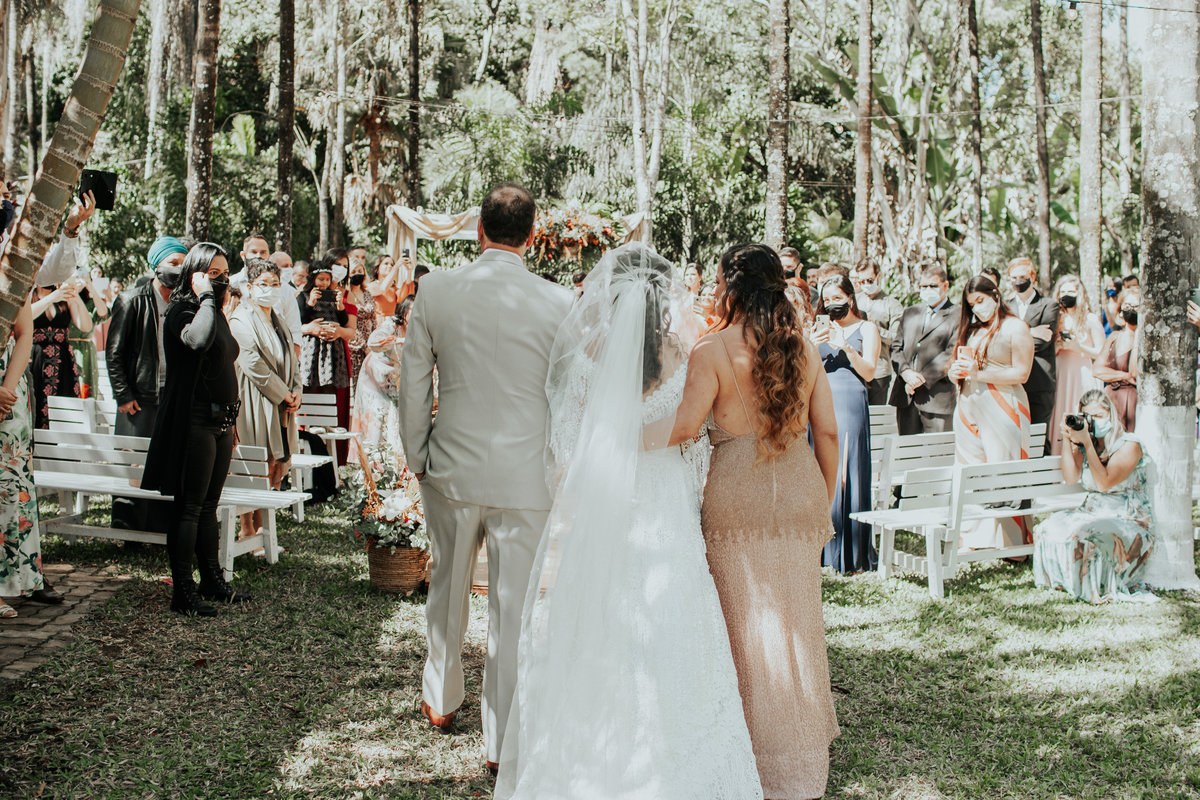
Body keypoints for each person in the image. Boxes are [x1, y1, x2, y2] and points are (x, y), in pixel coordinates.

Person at [495, 244, 761, 800]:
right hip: (666, 503)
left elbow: (566, 446)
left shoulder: (588, 353)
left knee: (599, 616)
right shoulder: (685, 353)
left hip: (607, 499)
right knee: (674, 615)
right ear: (665, 297)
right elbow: (694, 440)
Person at [397, 183, 573, 772]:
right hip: (527, 478)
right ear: (533, 235)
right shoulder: (560, 302)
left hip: (450, 466)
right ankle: (500, 744)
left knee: (447, 588)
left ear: (479, 229)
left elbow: (414, 382)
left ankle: (442, 699)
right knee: (513, 609)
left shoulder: (437, 289)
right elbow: (567, 395)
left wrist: (416, 454)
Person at [667, 242, 840, 799]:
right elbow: (827, 431)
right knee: (798, 628)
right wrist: (822, 497)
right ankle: (802, 766)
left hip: (737, 497)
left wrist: (623, 428)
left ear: (731, 287)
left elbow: (685, 427)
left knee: (742, 633)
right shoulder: (803, 347)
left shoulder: (711, 349)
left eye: (720, 283)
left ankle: (753, 763)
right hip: (800, 490)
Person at [142, 243, 250, 616]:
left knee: (208, 506)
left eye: (225, 273)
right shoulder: (182, 311)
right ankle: (183, 591)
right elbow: (198, 340)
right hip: (194, 420)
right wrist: (204, 295)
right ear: (195, 274)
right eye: (213, 273)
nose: (221, 280)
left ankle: (212, 580)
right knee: (188, 507)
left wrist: (232, 421)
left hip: (221, 421)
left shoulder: (213, 311)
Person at [1033, 390, 1153, 602]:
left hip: (1127, 518)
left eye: (1098, 416)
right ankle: (1062, 582)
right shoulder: (1091, 444)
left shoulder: (1129, 445)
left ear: (1110, 415)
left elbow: (1104, 483)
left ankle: (1092, 586)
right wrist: (1068, 439)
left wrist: (1087, 444)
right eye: (1088, 416)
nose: (1093, 421)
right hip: (1092, 511)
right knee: (1047, 527)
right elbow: (1071, 477)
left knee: (1085, 532)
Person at [949, 275, 1034, 549]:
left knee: (1003, 473)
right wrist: (955, 373)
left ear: (995, 295)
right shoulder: (972, 331)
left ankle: (1012, 545)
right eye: (972, 304)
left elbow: (1022, 373)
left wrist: (980, 374)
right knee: (971, 471)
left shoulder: (1015, 327)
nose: (977, 308)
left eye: (980, 300)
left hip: (1003, 408)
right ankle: (974, 537)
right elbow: (961, 366)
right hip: (969, 406)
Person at [0, 298, 65, 617]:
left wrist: (6, 389)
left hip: (9, 391)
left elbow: (24, 332)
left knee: (11, 489)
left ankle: (18, 580)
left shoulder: (16, 276)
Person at [229, 258, 301, 540]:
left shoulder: (278, 320)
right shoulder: (241, 319)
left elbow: (292, 359)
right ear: (249, 287)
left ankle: (262, 529)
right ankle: (247, 527)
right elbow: (253, 364)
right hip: (255, 399)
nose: (270, 289)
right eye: (263, 284)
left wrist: (296, 391)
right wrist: (284, 394)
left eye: (275, 284)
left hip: (282, 403)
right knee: (254, 462)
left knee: (273, 462)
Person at [813, 273, 880, 573]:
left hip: (850, 402)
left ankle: (850, 550)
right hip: (820, 402)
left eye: (837, 298)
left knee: (846, 470)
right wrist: (810, 344)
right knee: (821, 471)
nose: (831, 304)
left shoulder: (867, 328)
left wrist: (847, 347)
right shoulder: (818, 329)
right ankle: (821, 548)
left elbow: (869, 372)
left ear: (850, 298)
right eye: (826, 300)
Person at [889, 263, 958, 434]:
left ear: (945, 285)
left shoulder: (958, 314)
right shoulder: (910, 312)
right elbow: (896, 347)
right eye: (923, 286)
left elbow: (951, 352)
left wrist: (919, 380)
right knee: (908, 448)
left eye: (933, 286)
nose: (928, 290)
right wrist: (906, 373)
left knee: (936, 449)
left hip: (936, 399)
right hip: (906, 397)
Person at [298, 255, 354, 442]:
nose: (324, 283)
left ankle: (329, 421)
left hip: (332, 349)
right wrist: (310, 303)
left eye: (327, 280)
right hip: (313, 348)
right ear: (313, 279)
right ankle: (312, 421)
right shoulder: (304, 296)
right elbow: (299, 319)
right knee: (312, 383)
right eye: (320, 279)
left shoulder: (334, 297)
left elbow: (344, 321)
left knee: (330, 384)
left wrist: (340, 306)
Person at [1006, 257, 1059, 446]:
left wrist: (1012, 337)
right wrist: (1031, 331)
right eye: (1013, 277)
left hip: (1039, 381)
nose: (1018, 281)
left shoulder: (1049, 305)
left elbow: (1040, 343)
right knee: (1014, 439)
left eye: (1022, 276)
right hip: (1010, 382)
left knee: (1037, 441)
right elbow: (999, 340)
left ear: (1032, 277)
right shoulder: (1005, 306)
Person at [1050, 275, 1105, 455]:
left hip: (1081, 372)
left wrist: (1078, 347)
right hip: (1061, 372)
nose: (1066, 295)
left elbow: (1101, 351)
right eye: (1063, 291)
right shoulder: (1056, 318)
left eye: (1071, 291)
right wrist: (1059, 345)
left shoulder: (1090, 319)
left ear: (1079, 294)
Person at [351, 296, 413, 455]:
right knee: (376, 421)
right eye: (412, 310)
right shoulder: (392, 323)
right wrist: (398, 340)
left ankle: (389, 461)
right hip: (373, 377)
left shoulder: (419, 330)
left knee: (392, 421)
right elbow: (373, 341)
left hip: (391, 380)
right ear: (404, 311)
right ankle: (369, 461)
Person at [30, 279, 93, 426]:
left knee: (65, 405)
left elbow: (86, 326)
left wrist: (75, 295)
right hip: (36, 358)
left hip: (63, 360)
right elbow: (26, 315)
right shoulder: (29, 295)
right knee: (36, 404)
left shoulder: (63, 296)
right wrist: (51, 298)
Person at [852, 256, 903, 405]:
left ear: (878, 276)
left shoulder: (892, 305)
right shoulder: (854, 300)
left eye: (869, 280)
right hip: (855, 367)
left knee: (875, 414)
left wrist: (875, 328)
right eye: (861, 282)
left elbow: (896, 338)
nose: (865, 285)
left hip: (879, 371)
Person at [1094, 287, 1140, 432]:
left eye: (1136, 306)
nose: (1131, 310)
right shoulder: (1114, 337)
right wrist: (1124, 376)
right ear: (1120, 310)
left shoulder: (1145, 340)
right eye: (1127, 306)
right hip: (1111, 397)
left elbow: (1134, 372)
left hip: (1133, 400)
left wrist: (1138, 336)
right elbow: (1097, 370)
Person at [345, 255, 377, 393]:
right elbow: (349, 323)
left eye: (360, 271)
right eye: (353, 271)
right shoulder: (346, 295)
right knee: (356, 385)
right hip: (354, 346)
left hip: (370, 345)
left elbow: (373, 319)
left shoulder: (368, 294)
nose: (357, 274)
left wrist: (374, 342)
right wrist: (364, 346)